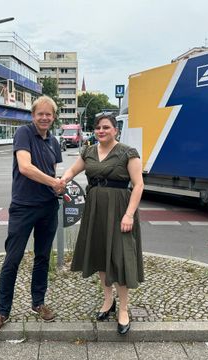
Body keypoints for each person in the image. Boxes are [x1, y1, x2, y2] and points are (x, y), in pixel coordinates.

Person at [0, 95, 66, 336]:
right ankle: (2, 311)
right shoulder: (23, 133)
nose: (44, 117)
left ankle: (38, 303)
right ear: (33, 116)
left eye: (48, 114)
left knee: (43, 257)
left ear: (53, 117)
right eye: (40, 113)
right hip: (24, 207)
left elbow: (54, 170)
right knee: (13, 258)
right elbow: (25, 167)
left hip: (48, 207)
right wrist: (54, 182)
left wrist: (58, 186)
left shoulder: (54, 141)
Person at [61, 113, 144, 335]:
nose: (101, 131)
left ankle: (123, 309)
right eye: (97, 127)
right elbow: (73, 170)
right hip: (95, 209)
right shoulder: (88, 151)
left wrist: (128, 215)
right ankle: (108, 301)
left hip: (119, 210)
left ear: (115, 130)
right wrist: (62, 180)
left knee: (121, 258)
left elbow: (138, 185)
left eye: (105, 127)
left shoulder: (128, 152)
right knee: (99, 255)